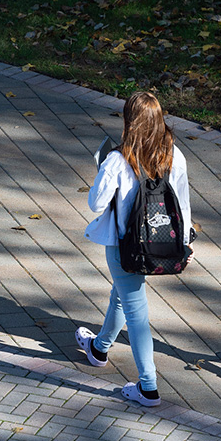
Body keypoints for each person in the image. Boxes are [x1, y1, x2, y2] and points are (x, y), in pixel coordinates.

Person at [76, 91, 192, 407]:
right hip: (161, 244)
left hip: (124, 246)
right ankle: (99, 348)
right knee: (123, 292)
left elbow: (95, 203)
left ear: (129, 122)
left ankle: (148, 386)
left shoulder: (117, 159)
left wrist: (101, 173)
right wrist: (184, 242)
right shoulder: (175, 156)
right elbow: (182, 202)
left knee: (135, 309)